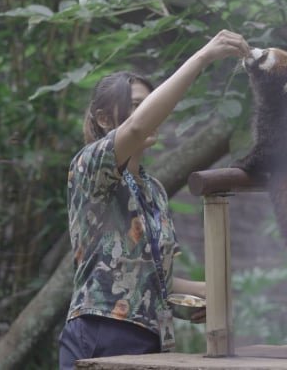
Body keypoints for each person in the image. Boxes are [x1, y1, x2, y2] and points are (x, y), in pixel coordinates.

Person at [59, 30, 250, 369]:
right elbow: (133, 130)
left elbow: (148, 276)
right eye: (136, 106)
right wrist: (202, 57)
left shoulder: (153, 189)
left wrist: (208, 292)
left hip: (152, 337)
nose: (149, 113)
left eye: (151, 103)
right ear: (104, 119)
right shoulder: (89, 164)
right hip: (102, 329)